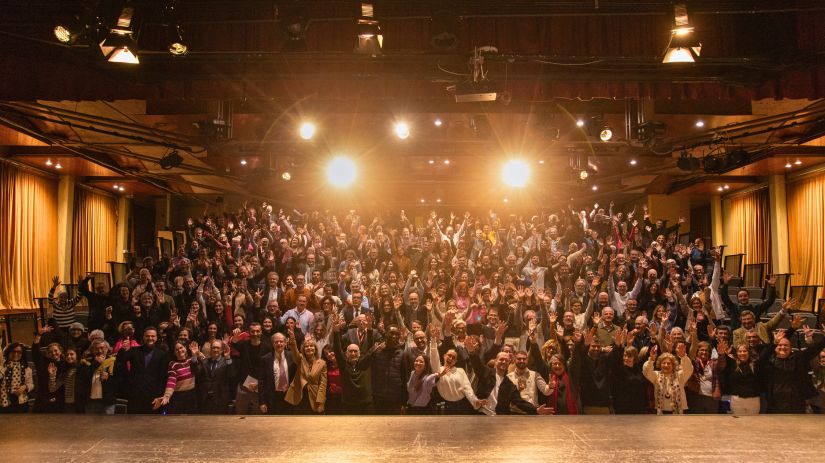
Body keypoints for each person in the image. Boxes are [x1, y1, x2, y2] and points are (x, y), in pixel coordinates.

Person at [758, 329, 825, 413]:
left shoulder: (798, 358)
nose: (783, 347)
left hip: (796, 403)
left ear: (790, 348)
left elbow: (815, 350)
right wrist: (774, 342)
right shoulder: (769, 361)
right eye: (780, 345)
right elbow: (763, 356)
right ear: (775, 348)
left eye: (786, 345)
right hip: (774, 404)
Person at [116, 327, 170, 414]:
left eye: (153, 336)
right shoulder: (134, 350)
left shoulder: (162, 354)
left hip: (153, 396)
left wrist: (159, 396)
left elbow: (162, 377)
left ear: (156, 338)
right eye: (147, 336)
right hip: (135, 394)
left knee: (152, 425)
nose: (150, 338)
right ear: (143, 337)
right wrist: (122, 350)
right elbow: (120, 362)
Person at [332, 314, 377, 414]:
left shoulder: (365, 364)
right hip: (349, 405)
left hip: (366, 405)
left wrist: (369, 329)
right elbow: (337, 349)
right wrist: (335, 331)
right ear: (346, 354)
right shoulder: (344, 365)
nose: (353, 354)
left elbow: (369, 348)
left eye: (355, 351)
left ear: (360, 353)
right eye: (350, 351)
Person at [643, 343, 693, 414]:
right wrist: (651, 359)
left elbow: (689, 369)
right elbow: (646, 371)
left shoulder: (679, 375)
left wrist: (683, 356)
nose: (666, 365)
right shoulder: (656, 375)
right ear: (660, 365)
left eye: (669, 363)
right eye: (663, 363)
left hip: (678, 411)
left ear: (673, 365)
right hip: (661, 411)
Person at [285, 330, 327, 414]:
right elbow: (294, 351)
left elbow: (323, 384)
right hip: (299, 396)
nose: (309, 348)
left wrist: (321, 402)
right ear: (303, 349)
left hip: (314, 397)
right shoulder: (300, 359)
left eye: (311, 346)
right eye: (306, 346)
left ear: (315, 349)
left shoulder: (322, 363)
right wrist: (292, 339)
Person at [152, 341, 199, 414]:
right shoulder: (173, 364)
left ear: (185, 348)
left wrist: (194, 355)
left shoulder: (191, 360)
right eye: (177, 349)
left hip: (191, 396)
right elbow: (171, 380)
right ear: (174, 352)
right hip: (178, 397)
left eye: (181, 347)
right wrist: (167, 395)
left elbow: (196, 369)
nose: (180, 350)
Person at [76, 339, 118, 415]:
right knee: (91, 426)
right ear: (92, 350)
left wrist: (109, 378)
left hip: (107, 402)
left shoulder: (114, 361)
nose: (99, 350)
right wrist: (96, 363)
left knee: (108, 426)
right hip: (90, 402)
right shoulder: (85, 362)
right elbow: (83, 379)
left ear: (107, 349)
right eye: (96, 348)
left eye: (102, 348)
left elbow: (120, 381)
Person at [192, 339, 233, 414]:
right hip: (205, 398)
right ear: (210, 349)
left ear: (222, 350)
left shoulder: (226, 361)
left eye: (218, 347)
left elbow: (231, 374)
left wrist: (228, 357)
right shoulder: (204, 361)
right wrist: (194, 356)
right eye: (213, 347)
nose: (215, 349)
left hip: (221, 398)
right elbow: (195, 372)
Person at [259, 332, 296, 414]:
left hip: (289, 396)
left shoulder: (292, 357)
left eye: (281, 341)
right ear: (272, 344)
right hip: (272, 398)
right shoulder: (265, 359)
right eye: (276, 342)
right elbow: (261, 382)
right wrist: (262, 402)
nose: (279, 344)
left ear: (285, 342)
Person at [0, 343, 34, 413]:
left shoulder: (27, 369)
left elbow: (31, 384)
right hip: (4, 401)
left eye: (18, 352)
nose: (15, 354)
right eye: (13, 351)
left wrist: (24, 387)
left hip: (21, 401)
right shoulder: (2, 367)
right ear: (8, 352)